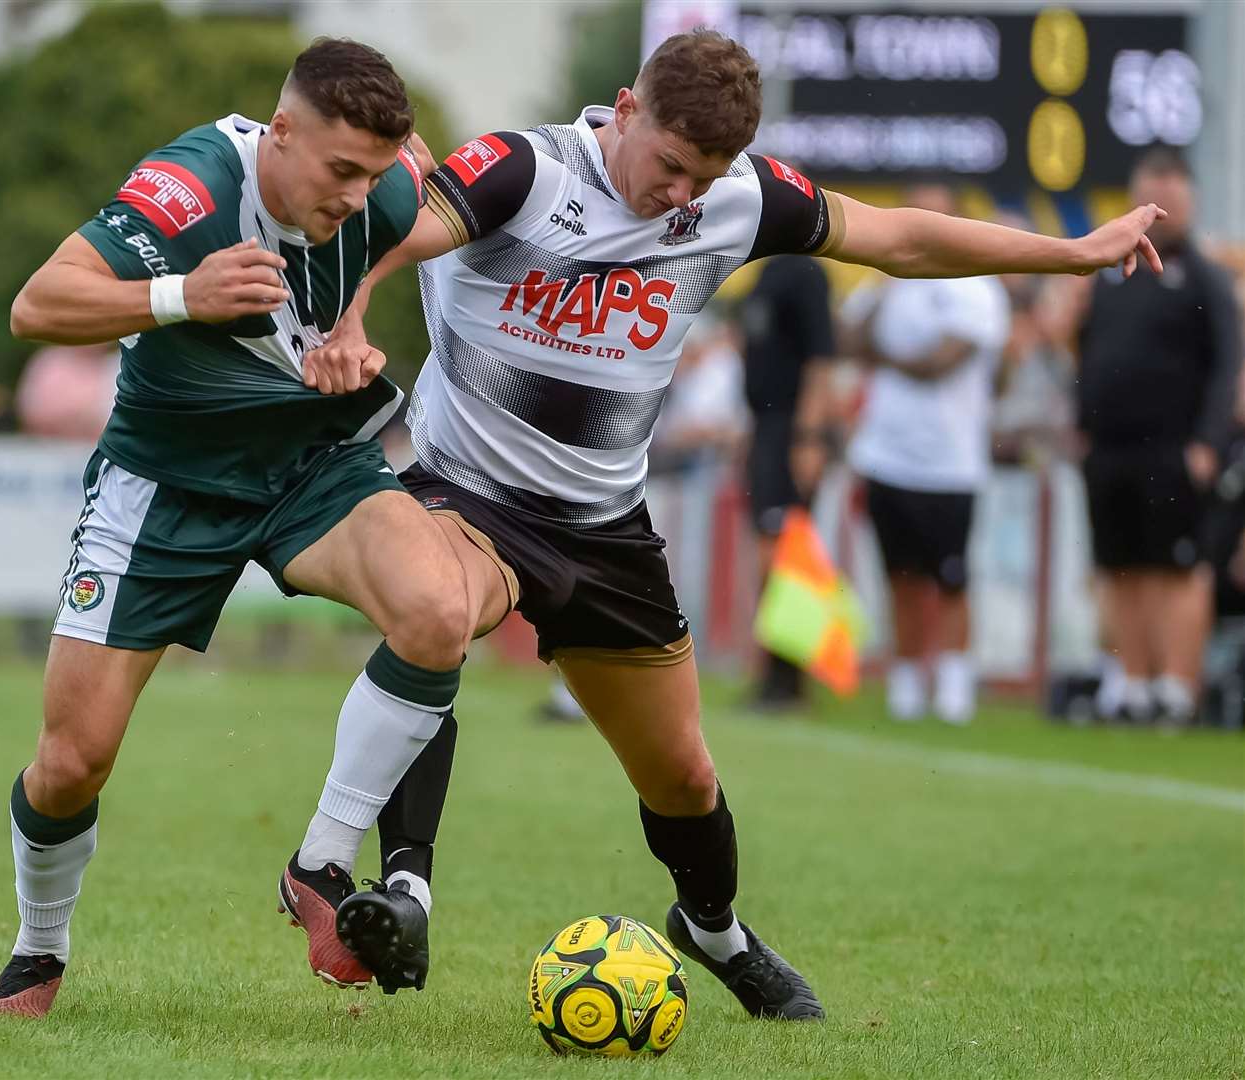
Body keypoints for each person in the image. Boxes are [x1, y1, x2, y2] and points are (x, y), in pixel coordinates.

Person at [326, 28, 1167, 1020]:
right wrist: (347, 314)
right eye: (669, 165)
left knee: (681, 773)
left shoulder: (736, 199)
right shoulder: (521, 170)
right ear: (624, 109)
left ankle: (711, 929)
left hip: (602, 529)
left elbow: (894, 238)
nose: (679, 193)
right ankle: (405, 889)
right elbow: (396, 228)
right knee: (435, 615)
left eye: (702, 177)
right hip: (467, 494)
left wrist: (1066, 253)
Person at [0, 38, 471, 1018]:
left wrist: (355, 326)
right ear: (280, 132)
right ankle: (40, 949)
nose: (354, 194)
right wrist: (179, 296)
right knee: (73, 760)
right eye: (338, 170)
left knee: (437, 610)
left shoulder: (379, 185)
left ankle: (320, 866)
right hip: (166, 485)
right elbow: (35, 307)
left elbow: (412, 201)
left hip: (311, 467)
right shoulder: (187, 188)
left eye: (372, 173)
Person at [1044, 148, 1242, 727]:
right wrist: (1082, 423)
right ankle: (1130, 681)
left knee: (1176, 569)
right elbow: (1089, 353)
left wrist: (1207, 440)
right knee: (1120, 565)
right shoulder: (1112, 273)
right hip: (1109, 446)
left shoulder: (1206, 276)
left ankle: (1176, 685)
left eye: (1175, 193)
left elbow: (1227, 364)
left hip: (1175, 446)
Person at [841, 183, 1012, 725]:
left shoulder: (977, 288)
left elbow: (942, 361)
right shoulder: (886, 279)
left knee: (952, 577)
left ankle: (955, 679)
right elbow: (850, 338)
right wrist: (888, 291)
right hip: (887, 454)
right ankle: (909, 677)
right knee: (901, 575)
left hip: (951, 462)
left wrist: (885, 356)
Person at [738, 253, 835, 710]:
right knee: (768, 547)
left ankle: (787, 676)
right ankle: (774, 674)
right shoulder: (766, 268)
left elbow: (821, 360)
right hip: (765, 426)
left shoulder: (807, 272)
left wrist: (810, 437)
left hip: (790, 429)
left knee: (783, 552)